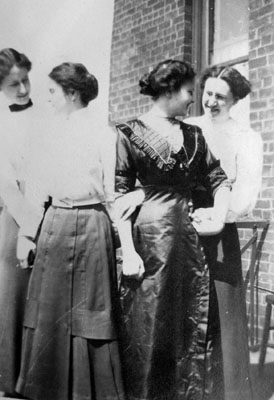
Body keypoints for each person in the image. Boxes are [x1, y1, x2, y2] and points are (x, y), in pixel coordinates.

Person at [114, 59, 232, 400]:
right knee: (149, 323)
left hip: (189, 241)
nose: (192, 100)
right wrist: (129, 253)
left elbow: (218, 180)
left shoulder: (194, 134)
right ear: (168, 90)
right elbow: (121, 197)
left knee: (189, 324)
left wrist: (219, 215)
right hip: (149, 241)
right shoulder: (128, 132)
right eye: (188, 92)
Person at [15, 62, 125, 400]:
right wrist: (26, 236)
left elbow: (112, 192)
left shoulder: (105, 134)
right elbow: (37, 190)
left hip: (93, 224)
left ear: (72, 93)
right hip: (56, 224)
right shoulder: (49, 134)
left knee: (90, 310)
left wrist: (127, 246)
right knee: (50, 308)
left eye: (52, 91)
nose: (46, 98)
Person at [185, 65, 263, 400]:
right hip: (185, 228)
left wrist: (220, 213)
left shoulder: (246, 138)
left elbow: (246, 195)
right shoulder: (187, 129)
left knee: (224, 315)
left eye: (221, 96)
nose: (212, 101)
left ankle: (227, 393)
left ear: (234, 101)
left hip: (221, 232)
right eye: (208, 93)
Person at [0, 48, 41, 397]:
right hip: (16, 217)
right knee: (14, 297)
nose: (24, 89)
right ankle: (12, 385)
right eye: (15, 84)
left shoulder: (50, 116)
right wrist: (30, 226)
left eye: (26, 80)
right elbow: (6, 184)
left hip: (52, 209)